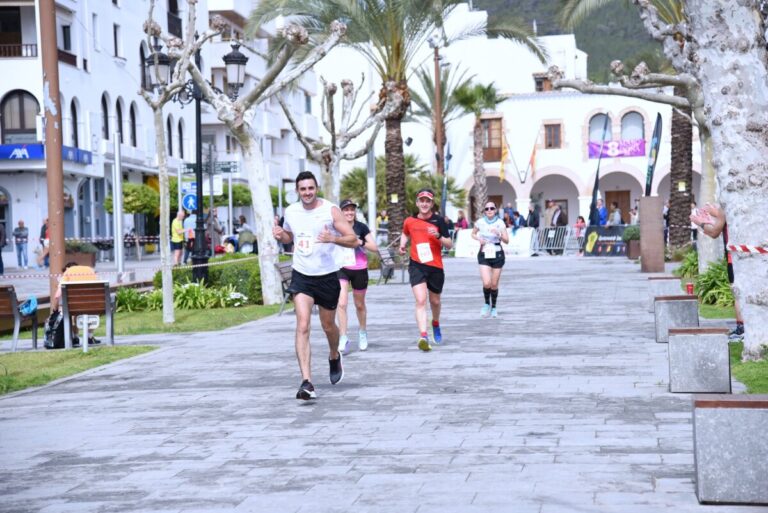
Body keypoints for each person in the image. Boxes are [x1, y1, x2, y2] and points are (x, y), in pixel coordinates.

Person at [272, 171, 357, 401]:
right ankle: (307, 382)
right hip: (302, 275)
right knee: (302, 325)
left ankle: (333, 355)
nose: (307, 193)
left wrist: (333, 239)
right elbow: (291, 236)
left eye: (310, 188)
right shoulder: (291, 211)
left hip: (327, 275)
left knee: (329, 326)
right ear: (297, 191)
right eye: (302, 189)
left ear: (316, 188)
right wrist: (282, 235)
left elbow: (353, 239)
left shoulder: (330, 210)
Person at [398, 188, 453, 351]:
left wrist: (437, 236)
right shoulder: (409, 221)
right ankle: (423, 335)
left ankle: (435, 322)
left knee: (435, 301)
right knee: (421, 300)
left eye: (427, 201)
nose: (424, 203)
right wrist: (402, 245)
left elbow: (449, 244)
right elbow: (405, 234)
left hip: (435, 266)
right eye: (421, 200)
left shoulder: (439, 221)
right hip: (417, 265)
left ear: (432, 203)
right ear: (417, 203)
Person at [690, 203, 745, 342]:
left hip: (736, 257)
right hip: (749, 255)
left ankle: (741, 329)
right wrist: (714, 213)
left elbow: (714, 232)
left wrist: (700, 223)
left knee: (737, 291)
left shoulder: (726, 204)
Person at [336, 199, 379, 354]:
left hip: (359, 269)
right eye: (346, 210)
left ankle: (362, 332)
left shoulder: (361, 227)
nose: (349, 212)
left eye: (351, 210)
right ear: (341, 212)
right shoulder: (337, 227)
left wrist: (360, 242)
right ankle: (343, 337)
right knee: (341, 303)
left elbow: (374, 247)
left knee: (359, 304)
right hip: (342, 268)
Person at [472, 201, 509, 318]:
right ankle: (486, 304)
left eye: (492, 208)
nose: (489, 211)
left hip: (497, 254)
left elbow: (507, 240)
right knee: (486, 282)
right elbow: (472, 234)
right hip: (484, 253)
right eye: (487, 209)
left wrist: (499, 234)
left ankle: (494, 307)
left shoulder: (500, 222)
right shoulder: (480, 222)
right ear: (484, 211)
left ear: (495, 210)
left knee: (494, 284)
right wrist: (479, 239)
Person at [50, 262, 101, 347]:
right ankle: (90, 337)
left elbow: (57, 295)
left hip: (75, 307)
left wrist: (55, 309)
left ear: (66, 269)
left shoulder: (68, 272)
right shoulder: (90, 270)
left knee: (72, 313)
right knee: (89, 310)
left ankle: (75, 337)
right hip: (92, 305)